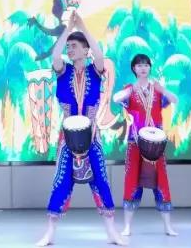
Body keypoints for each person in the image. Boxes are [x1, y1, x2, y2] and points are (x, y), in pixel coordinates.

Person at [37, 12, 125, 247]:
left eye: (74, 46)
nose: (70, 50)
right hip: (67, 138)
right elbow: (55, 55)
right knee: (60, 182)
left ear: (86, 50)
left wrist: (83, 27)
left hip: (92, 137)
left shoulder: (95, 71)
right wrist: (68, 29)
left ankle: (112, 232)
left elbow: (100, 54)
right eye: (69, 46)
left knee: (101, 181)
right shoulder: (63, 71)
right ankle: (49, 234)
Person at [112, 53, 177, 237]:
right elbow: (116, 98)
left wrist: (162, 89)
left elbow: (175, 100)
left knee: (161, 181)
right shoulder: (129, 89)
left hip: (156, 144)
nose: (143, 68)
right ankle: (127, 227)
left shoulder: (157, 89)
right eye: (139, 65)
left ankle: (168, 227)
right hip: (135, 142)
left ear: (150, 68)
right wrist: (131, 90)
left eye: (146, 65)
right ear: (134, 68)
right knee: (132, 181)